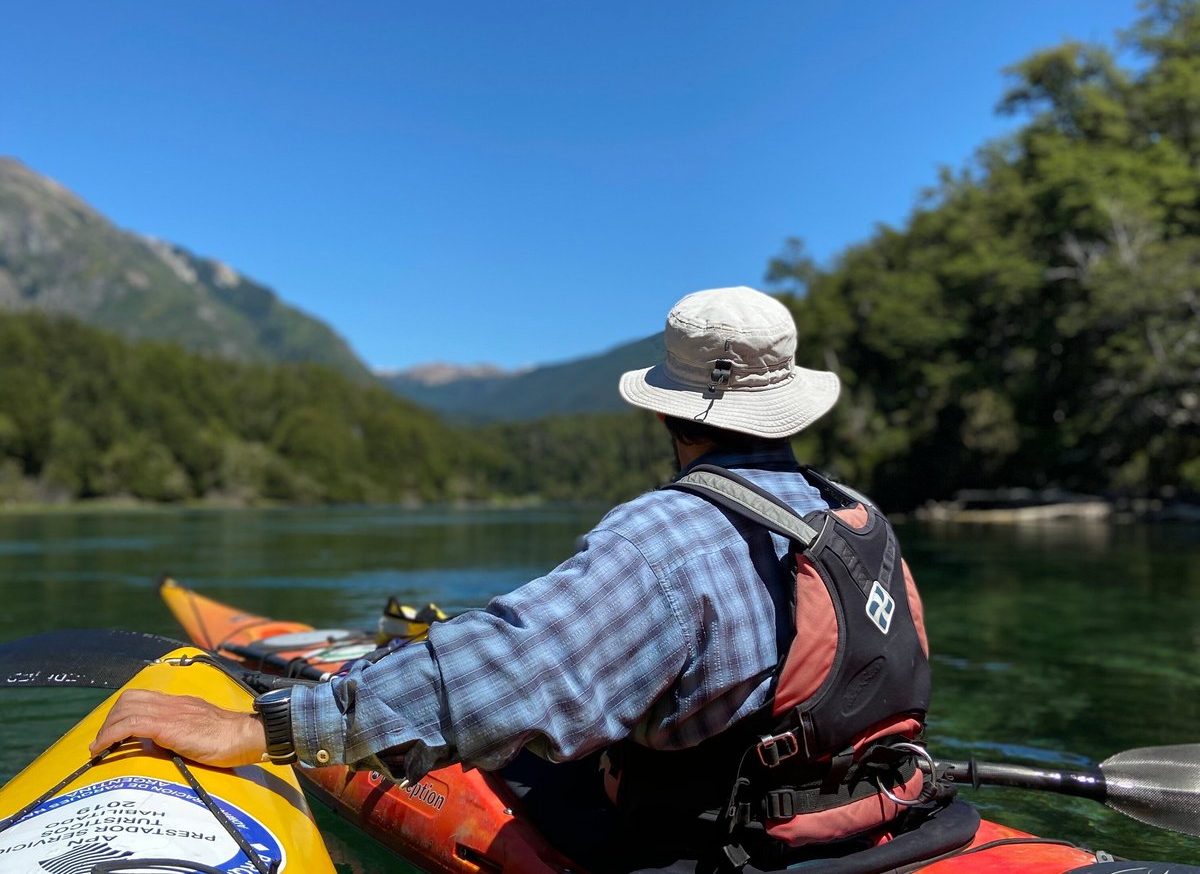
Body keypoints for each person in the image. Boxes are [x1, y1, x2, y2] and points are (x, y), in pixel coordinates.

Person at [92, 286, 931, 871]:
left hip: (710, 846)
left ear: (673, 413)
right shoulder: (857, 517)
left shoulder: (664, 536)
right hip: (863, 807)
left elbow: (493, 681)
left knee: (512, 748)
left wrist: (264, 729)